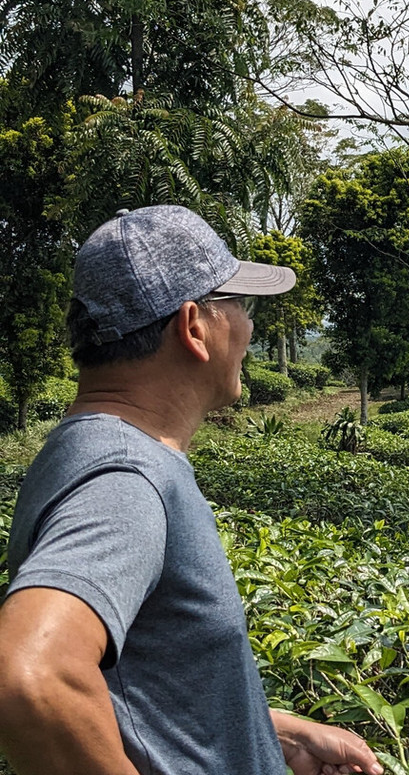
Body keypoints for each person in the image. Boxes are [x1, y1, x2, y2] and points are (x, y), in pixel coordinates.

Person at [0, 206, 383, 775]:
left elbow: (130, 691)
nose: (250, 328)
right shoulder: (126, 478)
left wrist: (267, 731)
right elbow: (28, 675)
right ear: (194, 326)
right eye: (241, 306)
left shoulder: (85, 449)